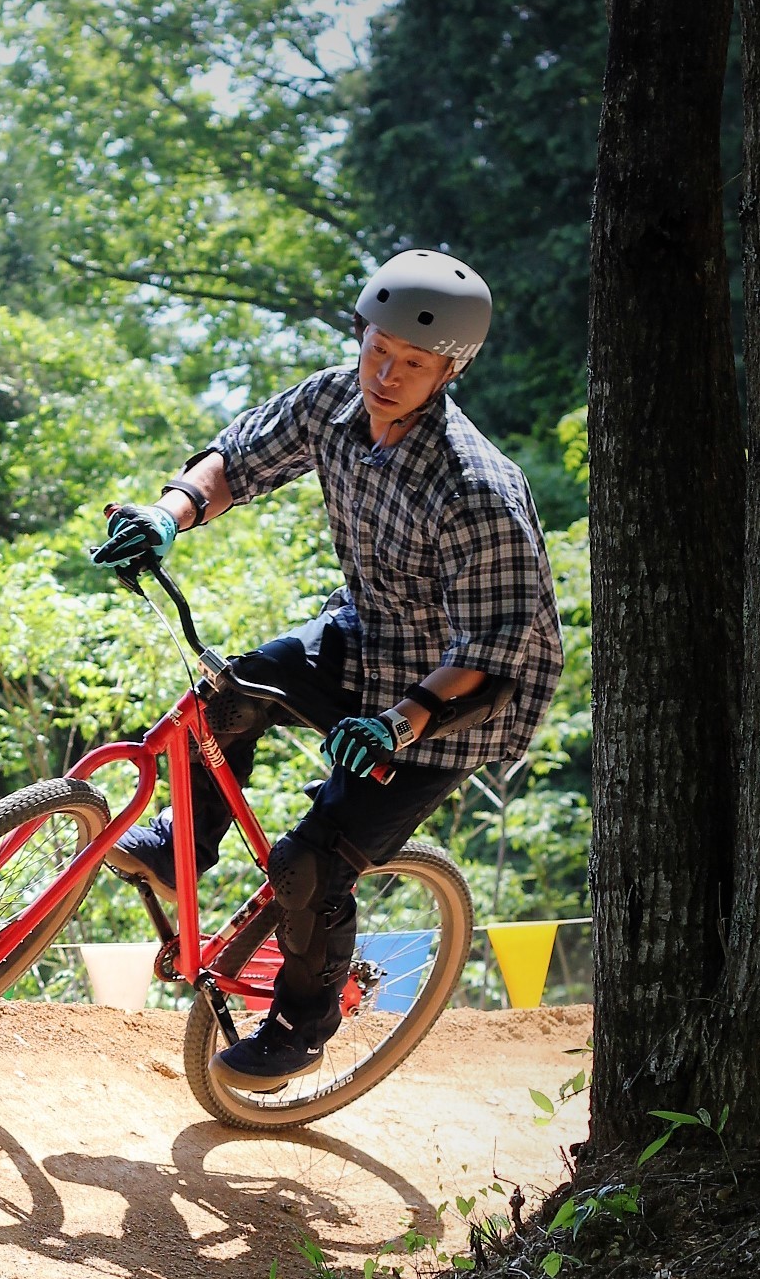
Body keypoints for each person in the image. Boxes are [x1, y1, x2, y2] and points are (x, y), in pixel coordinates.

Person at [91, 247, 562, 1092]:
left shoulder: (474, 487)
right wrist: (167, 515)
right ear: (362, 333)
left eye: (413, 365)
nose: (386, 373)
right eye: (378, 348)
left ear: (447, 372)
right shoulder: (333, 399)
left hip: (454, 700)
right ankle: (180, 850)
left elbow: (494, 655)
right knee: (228, 698)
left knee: (308, 865)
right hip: (369, 634)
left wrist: (402, 722)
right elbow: (239, 460)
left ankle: (303, 1027)